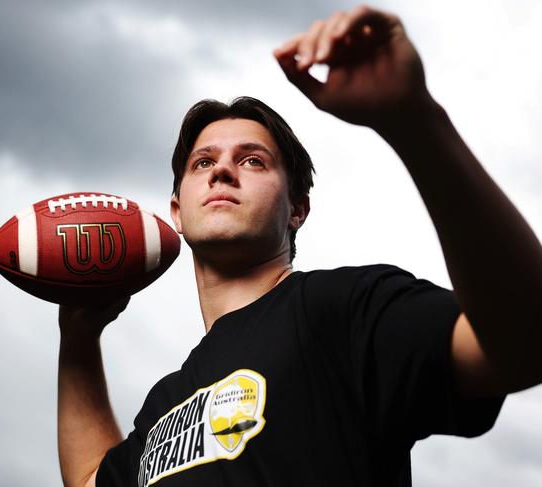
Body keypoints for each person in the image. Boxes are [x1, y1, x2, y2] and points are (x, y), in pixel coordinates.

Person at [57, 5, 542, 487]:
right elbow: (88, 480)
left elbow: (524, 345)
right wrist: (79, 340)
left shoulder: (342, 308)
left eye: (252, 161)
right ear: (178, 212)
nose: (222, 170)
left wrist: (415, 121)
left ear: (297, 208)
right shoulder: (166, 403)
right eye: (203, 163)